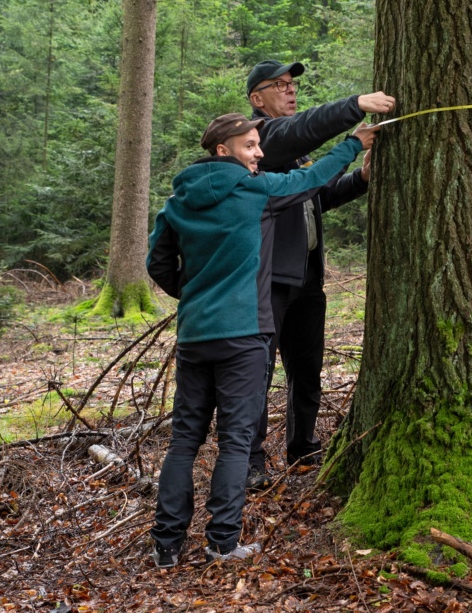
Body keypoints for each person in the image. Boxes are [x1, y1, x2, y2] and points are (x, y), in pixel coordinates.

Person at [146, 113, 377, 568]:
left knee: (184, 441)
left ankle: (167, 546)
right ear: (223, 151)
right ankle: (222, 543)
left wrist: (192, 293)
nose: (259, 154)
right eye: (251, 146)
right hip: (245, 335)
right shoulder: (253, 191)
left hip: (194, 335)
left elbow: (158, 265)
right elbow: (309, 179)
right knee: (235, 441)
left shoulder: (175, 202)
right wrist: (354, 143)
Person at [243, 60, 395, 489]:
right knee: (259, 368)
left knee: (306, 367)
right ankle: (251, 461)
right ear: (258, 99)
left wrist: (360, 178)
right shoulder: (262, 140)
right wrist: (354, 107)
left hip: (307, 278)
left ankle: (303, 447)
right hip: (270, 279)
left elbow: (318, 195)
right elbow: (300, 130)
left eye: (292, 85)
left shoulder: (297, 152)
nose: (290, 91)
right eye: (280, 86)